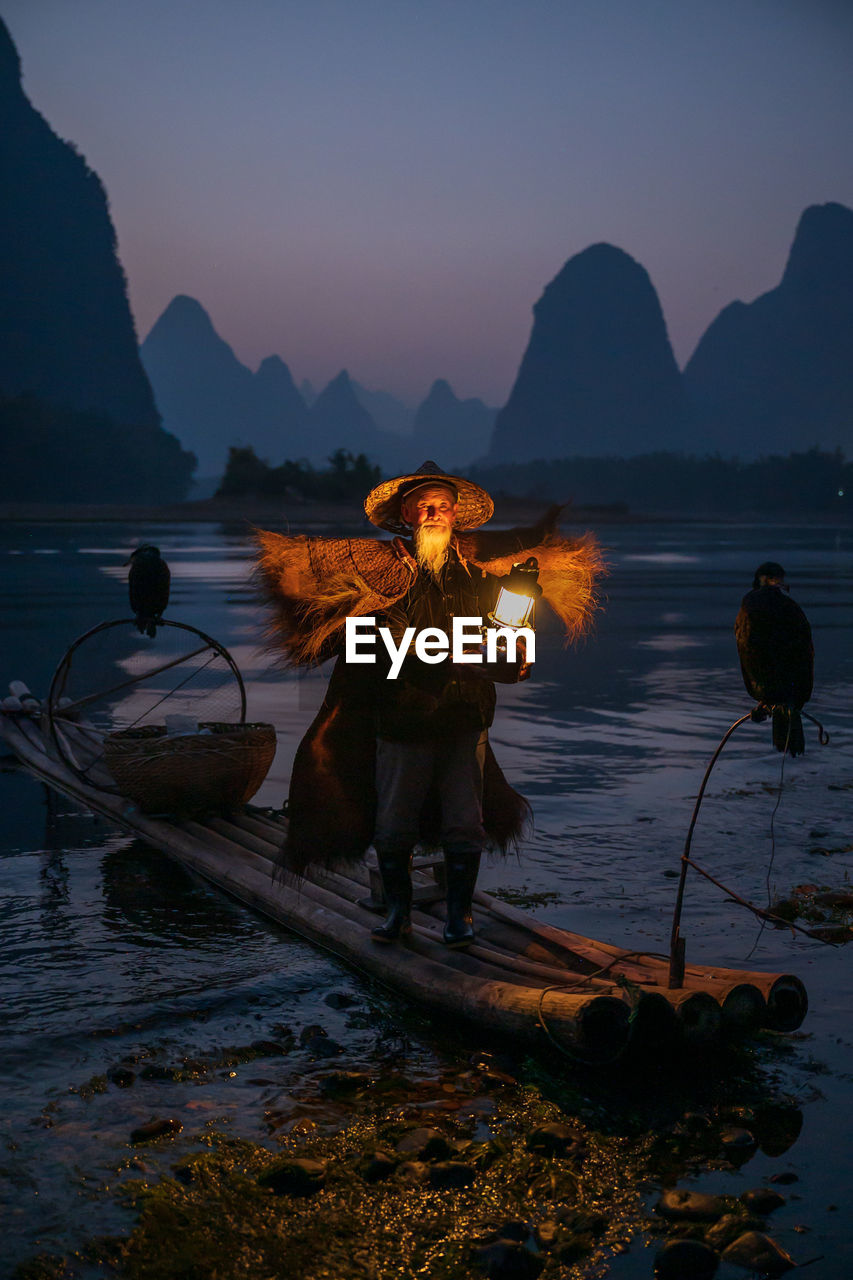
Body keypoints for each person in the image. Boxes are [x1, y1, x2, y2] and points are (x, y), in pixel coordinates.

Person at [253, 461, 602, 946]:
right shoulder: (377, 575)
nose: (434, 513)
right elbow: (369, 644)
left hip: (466, 718)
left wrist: (516, 656)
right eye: (424, 506)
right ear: (407, 516)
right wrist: (443, 655)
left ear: (456, 515)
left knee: (465, 823)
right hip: (402, 718)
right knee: (394, 825)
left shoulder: (477, 575)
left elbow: (506, 634)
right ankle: (400, 914)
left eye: (442, 506)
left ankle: (461, 917)